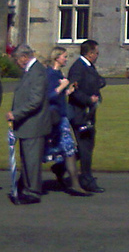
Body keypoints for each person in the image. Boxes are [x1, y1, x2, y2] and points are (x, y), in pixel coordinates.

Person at [8, 44, 52, 204]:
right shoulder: (31, 71)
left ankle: (32, 191)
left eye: (17, 60)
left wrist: (16, 113)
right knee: (27, 158)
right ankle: (26, 187)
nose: (16, 63)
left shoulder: (37, 72)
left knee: (32, 159)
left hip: (34, 124)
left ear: (24, 57)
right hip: (27, 124)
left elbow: (35, 101)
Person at [43, 46, 88, 195]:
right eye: (64, 56)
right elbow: (48, 96)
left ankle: (72, 181)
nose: (66, 59)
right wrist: (62, 87)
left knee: (69, 150)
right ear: (57, 58)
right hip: (53, 118)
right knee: (45, 151)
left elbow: (59, 95)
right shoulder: (51, 74)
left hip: (61, 117)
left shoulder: (57, 73)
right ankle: (25, 182)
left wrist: (68, 90)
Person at [68, 38, 106, 192]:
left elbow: (98, 81)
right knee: (85, 146)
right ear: (90, 53)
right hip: (80, 113)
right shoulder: (78, 68)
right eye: (96, 53)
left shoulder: (89, 67)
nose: (97, 55)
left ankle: (60, 167)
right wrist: (88, 99)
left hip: (89, 113)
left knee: (88, 146)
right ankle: (86, 179)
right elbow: (73, 90)